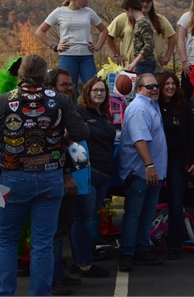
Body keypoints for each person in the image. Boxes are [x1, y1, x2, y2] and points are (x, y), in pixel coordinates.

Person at [0, 54, 89, 296]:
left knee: (6, 240)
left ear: (20, 75)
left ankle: (4, 293)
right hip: (51, 176)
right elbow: (81, 133)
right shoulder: (61, 100)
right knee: (43, 243)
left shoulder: (1, 101)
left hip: (14, 176)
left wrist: (2, 133)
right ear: (43, 76)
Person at [43, 69, 86, 296]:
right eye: (64, 85)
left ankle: (59, 272)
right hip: (57, 177)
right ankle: (53, 279)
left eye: (71, 85)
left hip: (72, 175)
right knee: (54, 232)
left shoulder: (67, 107)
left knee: (63, 228)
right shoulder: (50, 112)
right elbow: (55, 149)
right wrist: (66, 177)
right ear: (51, 87)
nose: (70, 88)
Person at [118, 73, 167, 272]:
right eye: (149, 86)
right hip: (141, 172)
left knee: (146, 214)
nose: (154, 89)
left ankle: (142, 249)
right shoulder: (139, 108)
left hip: (153, 172)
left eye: (156, 85)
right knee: (134, 214)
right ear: (138, 89)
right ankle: (127, 253)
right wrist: (149, 166)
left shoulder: (151, 106)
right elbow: (139, 140)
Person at [69, 77, 115, 279]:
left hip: (104, 173)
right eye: (95, 90)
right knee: (83, 219)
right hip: (88, 172)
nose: (99, 93)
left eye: (103, 90)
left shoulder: (103, 114)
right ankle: (85, 265)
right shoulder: (80, 113)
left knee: (84, 219)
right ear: (87, 92)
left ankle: (78, 260)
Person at [156, 71, 194, 260]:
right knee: (150, 205)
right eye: (166, 84)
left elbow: (192, 136)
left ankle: (175, 244)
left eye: (173, 83)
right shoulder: (153, 106)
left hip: (176, 162)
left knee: (176, 204)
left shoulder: (182, 107)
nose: (170, 87)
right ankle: (145, 244)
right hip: (156, 162)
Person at [36, 0, 108, 90]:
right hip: (67, 56)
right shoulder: (59, 12)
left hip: (86, 56)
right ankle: (70, 106)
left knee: (92, 87)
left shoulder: (89, 12)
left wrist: (98, 46)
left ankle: (89, 107)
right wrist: (54, 46)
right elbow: (40, 31)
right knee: (68, 88)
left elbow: (104, 30)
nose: (87, 1)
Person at [105, 0, 177, 73]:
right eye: (142, 1)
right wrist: (116, 55)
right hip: (129, 67)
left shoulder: (157, 19)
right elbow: (107, 35)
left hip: (150, 67)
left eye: (148, 1)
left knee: (148, 85)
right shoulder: (123, 18)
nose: (145, 4)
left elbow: (169, 37)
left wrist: (167, 56)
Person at [120, 0, 156, 74]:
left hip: (145, 64)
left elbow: (149, 44)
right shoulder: (140, 22)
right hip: (142, 63)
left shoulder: (142, 23)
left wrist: (134, 62)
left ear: (130, 9)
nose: (126, 14)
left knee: (144, 85)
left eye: (125, 11)